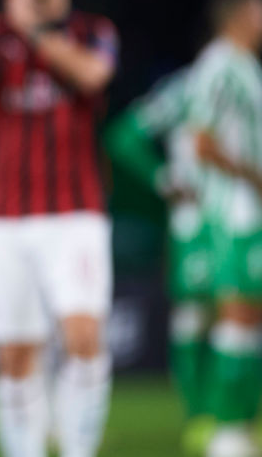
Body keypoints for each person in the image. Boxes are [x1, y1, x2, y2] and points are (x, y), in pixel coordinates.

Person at [0, 0, 118, 457]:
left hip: (76, 216)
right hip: (5, 218)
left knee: (83, 339)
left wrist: (29, 27)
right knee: (15, 355)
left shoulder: (94, 30)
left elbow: (92, 77)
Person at [104, 68, 214, 452]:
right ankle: (200, 417)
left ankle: (234, 414)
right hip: (198, 221)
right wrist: (164, 178)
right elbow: (124, 136)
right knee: (196, 315)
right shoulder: (189, 86)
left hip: (246, 214)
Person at [182, 0, 262, 457]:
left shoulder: (246, 66)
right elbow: (202, 140)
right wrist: (252, 177)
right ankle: (225, 434)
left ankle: (237, 427)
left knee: (247, 317)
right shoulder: (217, 65)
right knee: (235, 315)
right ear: (240, 12)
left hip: (248, 210)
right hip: (230, 211)